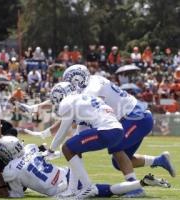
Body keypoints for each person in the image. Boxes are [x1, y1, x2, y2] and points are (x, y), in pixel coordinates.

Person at [21, 64, 176, 197]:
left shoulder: (91, 89)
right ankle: (159, 160)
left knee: (116, 147)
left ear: (77, 80)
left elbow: (69, 111)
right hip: (134, 117)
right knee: (118, 162)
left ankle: (135, 189)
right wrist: (37, 107)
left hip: (135, 117)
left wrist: (50, 136)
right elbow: (64, 100)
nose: (70, 87)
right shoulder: (91, 82)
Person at [0, 136, 170, 198]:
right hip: (68, 174)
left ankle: (141, 183)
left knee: (102, 191)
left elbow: (17, 195)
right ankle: (141, 183)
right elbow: (46, 153)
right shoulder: (30, 148)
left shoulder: (10, 171)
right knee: (98, 190)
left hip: (60, 190)